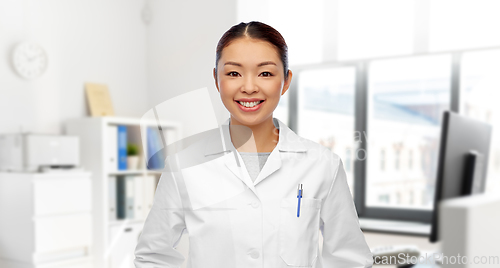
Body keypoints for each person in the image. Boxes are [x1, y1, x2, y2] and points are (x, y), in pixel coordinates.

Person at [134, 21, 373, 268]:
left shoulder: (323, 165)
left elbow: (350, 259)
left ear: (286, 80)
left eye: (265, 73)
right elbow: (152, 257)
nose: (249, 87)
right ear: (217, 79)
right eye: (234, 73)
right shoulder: (183, 166)